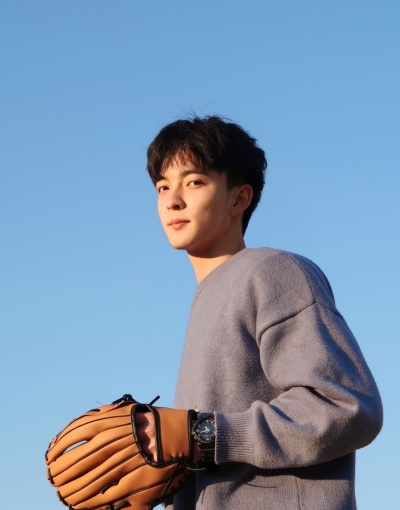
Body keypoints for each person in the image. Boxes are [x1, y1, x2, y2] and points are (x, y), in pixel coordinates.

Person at [137, 115, 383, 509]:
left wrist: (201, 435)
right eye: (162, 186)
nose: (172, 200)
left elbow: (346, 405)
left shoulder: (273, 271)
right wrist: (165, 467)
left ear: (239, 198)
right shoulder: (204, 301)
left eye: (194, 182)